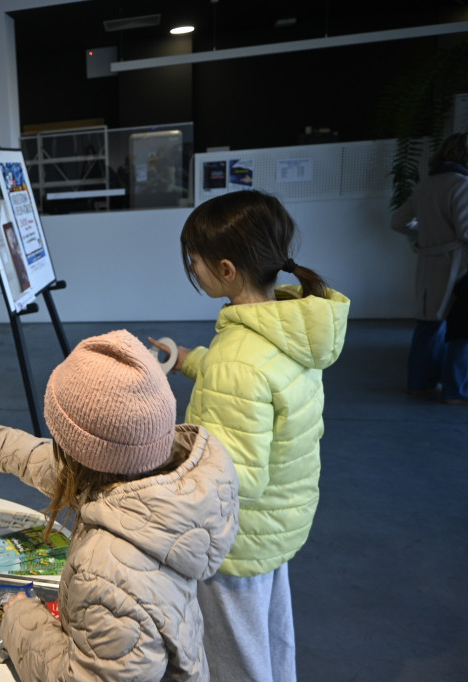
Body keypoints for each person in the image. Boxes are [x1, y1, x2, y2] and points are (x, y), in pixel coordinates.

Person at [0, 330, 240, 681]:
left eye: (60, 439)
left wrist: (19, 618)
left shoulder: (106, 576)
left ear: (84, 456)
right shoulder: (148, 481)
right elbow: (50, 464)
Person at [150, 190, 350, 681]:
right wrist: (190, 360)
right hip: (277, 525)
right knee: (270, 639)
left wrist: (161, 464)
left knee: (234, 658)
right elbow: (251, 384)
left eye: (193, 261)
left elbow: (232, 475)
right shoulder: (288, 329)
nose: (191, 269)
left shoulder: (239, 357)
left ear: (225, 269)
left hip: (236, 544)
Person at [390, 131, 468, 404]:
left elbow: (398, 222)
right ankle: (456, 391)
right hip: (459, 267)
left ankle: (419, 384)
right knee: (462, 331)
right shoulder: (462, 184)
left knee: (428, 324)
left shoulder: (427, 184)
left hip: (428, 261)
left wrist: (426, 235)